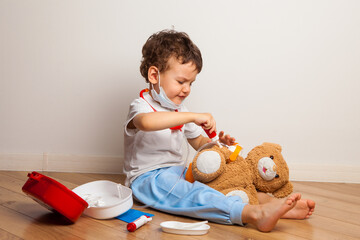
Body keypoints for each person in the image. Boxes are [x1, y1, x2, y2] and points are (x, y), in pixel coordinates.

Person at [123, 29, 315, 232]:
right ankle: (253, 214)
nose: (187, 89)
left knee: (225, 181)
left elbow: (197, 142)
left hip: (179, 172)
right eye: (181, 82)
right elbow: (147, 123)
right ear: (154, 75)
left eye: (191, 83)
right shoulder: (141, 106)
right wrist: (193, 116)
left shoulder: (180, 109)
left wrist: (216, 145)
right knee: (195, 195)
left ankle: (267, 203)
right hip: (148, 179)